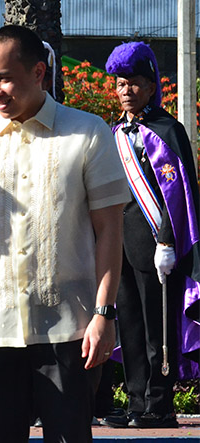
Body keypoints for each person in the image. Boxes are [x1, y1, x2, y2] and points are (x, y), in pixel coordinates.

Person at [0, 25, 130, 442]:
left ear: (39, 73)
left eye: (6, 78)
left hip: (70, 330)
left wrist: (104, 315)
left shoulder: (87, 133)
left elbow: (109, 231)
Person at [102, 41, 200, 429]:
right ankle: (137, 401)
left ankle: (160, 405)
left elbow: (179, 194)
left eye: (134, 83)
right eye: (120, 84)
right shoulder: (113, 133)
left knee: (159, 328)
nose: (126, 91)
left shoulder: (168, 130)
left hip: (159, 247)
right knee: (130, 326)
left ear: (151, 85)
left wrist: (166, 240)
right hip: (121, 247)